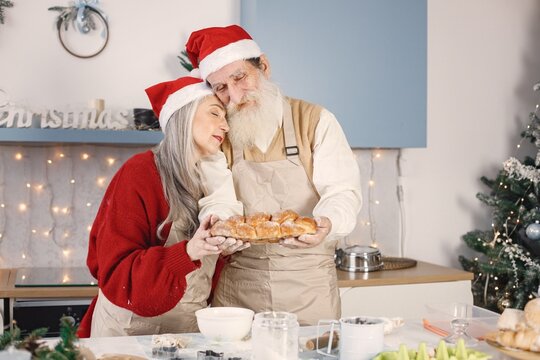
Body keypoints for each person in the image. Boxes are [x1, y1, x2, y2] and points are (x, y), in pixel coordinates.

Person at [186, 25, 362, 325]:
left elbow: (342, 192)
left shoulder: (316, 120)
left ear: (263, 67)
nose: (235, 95)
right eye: (221, 88)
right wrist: (219, 226)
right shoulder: (221, 133)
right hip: (238, 291)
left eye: (240, 77)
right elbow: (219, 200)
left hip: (309, 289)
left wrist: (325, 223)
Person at [77, 75, 247, 337]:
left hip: (186, 331)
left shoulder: (214, 181)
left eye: (225, 117)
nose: (225, 125)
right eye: (215, 113)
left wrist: (227, 247)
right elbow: (115, 271)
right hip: (128, 330)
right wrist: (188, 251)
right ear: (184, 116)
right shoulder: (140, 173)